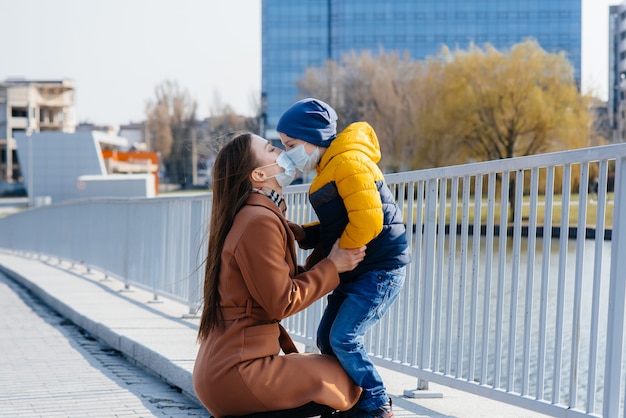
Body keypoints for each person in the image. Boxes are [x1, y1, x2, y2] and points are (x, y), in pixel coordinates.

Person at [192, 131, 365, 418]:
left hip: (227, 369)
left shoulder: (254, 215)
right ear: (259, 174)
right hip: (238, 373)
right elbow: (282, 300)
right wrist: (333, 266)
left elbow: (274, 284)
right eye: (272, 149)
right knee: (348, 380)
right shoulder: (258, 220)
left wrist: (325, 256)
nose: (283, 153)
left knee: (339, 375)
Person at [277, 98, 411, 418]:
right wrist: (306, 235)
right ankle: (350, 399)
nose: (288, 153)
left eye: (292, 145)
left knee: (344, 337)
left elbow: (368, 221)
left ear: (315, 137)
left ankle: (376, 401)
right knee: (327, 337)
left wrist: (341, 257)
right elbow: (342, 221)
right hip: (358, 268)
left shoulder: (350, 161)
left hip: (379, 267)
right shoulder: (330, 167)